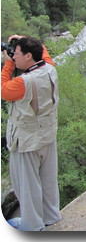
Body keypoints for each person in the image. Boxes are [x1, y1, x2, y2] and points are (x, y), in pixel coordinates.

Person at [1, 35, 61, 231]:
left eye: (16, 54)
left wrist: (8, 65)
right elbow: (43, 54)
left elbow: (3, 90)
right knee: (48, 181)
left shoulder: (23, 83)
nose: (13, 56)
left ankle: (32, 226)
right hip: (47, 136)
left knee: (27, 187)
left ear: (28, 56)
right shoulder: (50, 69)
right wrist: (25, 40)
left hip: (26, 141)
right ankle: (50, 217)